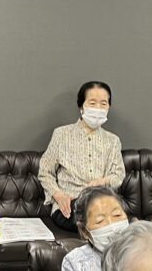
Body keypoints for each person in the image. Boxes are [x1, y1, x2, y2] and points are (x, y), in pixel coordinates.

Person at [39, 80, 124, 232]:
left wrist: (102, 182)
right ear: (81, 106)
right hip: (70, 206)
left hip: (101, 203)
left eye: (103, 104)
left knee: (110, 219)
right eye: (92, 103)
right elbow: (45, 172)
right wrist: (58, 195)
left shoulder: (113, 141)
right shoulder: (61, 134)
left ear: (108, 107)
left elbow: (118, 175)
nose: (98, 108)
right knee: (101, 223)